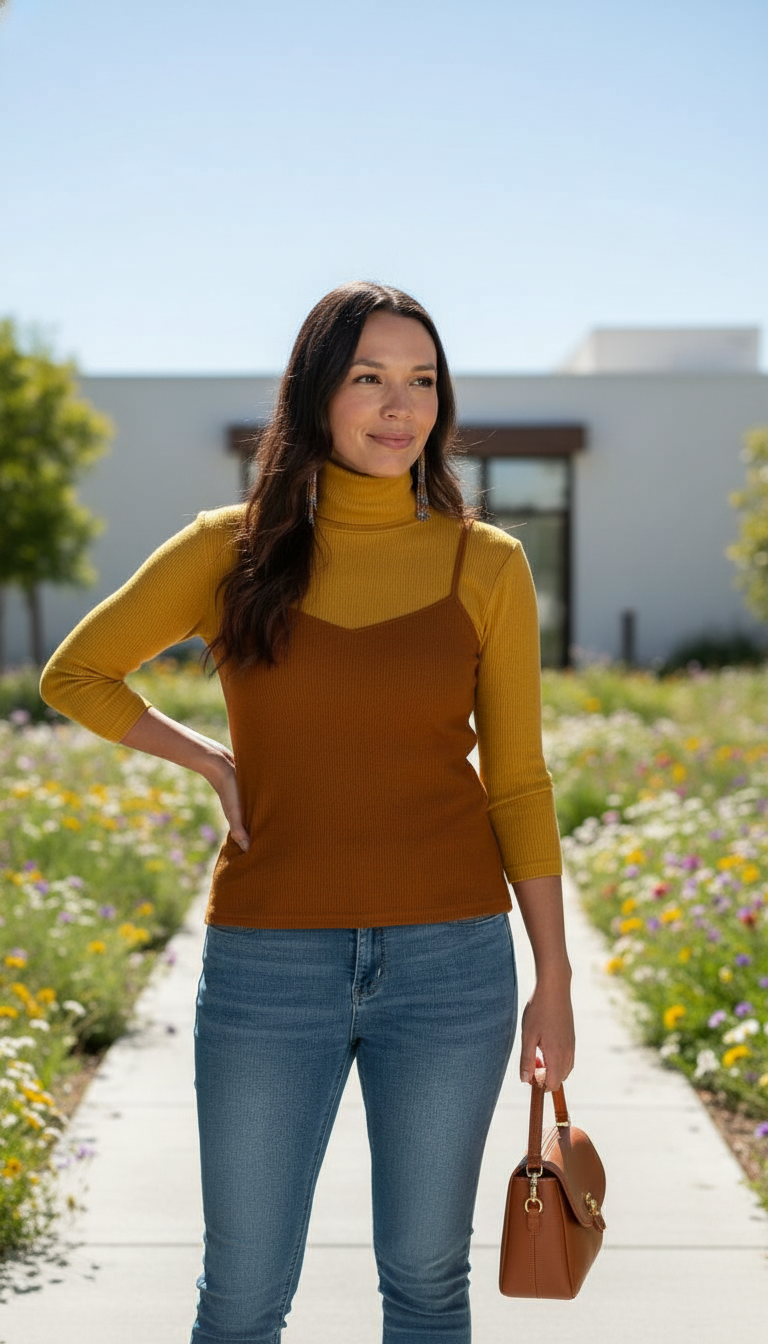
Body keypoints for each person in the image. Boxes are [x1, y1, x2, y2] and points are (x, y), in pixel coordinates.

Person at [39, 281, 575, 1344]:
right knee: (242, 1296)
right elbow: (78, 673)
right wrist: (206, 759)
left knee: (427, 1283)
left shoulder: (488, 564)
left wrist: (552, 979)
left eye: (421, 381)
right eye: (369, 377)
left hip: (452, 965)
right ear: (317, 393)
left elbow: (518, 780)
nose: (399, 405)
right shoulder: (225, 547)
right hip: (268, 966)